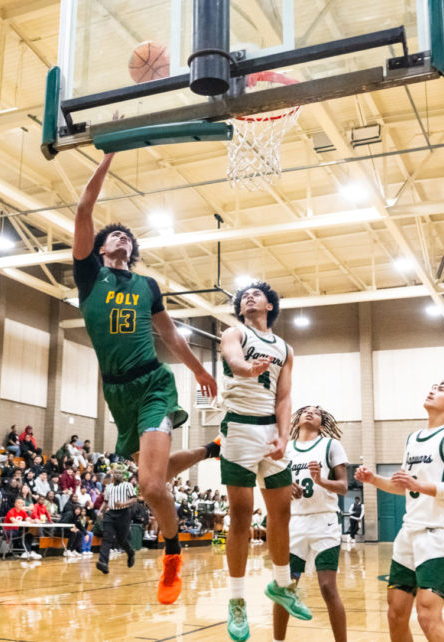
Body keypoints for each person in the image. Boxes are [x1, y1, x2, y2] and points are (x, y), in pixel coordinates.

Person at [72, 152, 221, 604]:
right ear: (101, 249)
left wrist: (197, 369)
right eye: (114, 235)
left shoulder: (148, 286)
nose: (121, 238)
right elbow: (83, 210)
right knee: (147, 481)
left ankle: (172, 554)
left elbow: (169, 333)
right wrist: (108, 156)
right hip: (116, 393)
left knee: (152, 487)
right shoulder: (89, 276)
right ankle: (204, 452)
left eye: (127, 237)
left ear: (133, 252)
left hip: (154, 384)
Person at [218, 280, 310, 639]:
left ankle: (283, 585)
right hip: (239, 427)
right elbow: (235, 362)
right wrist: (247, 369)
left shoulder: (285, 348)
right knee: (241, 514)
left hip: (271, 430)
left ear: (270, 306)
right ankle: (237, 601)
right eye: (243, 297)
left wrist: (285, 435)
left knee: (281, 511)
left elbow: (285, 397)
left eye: (255, 294)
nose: (248, 297)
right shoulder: (234, 332)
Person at [355, 379, 444, 642]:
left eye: (442, 389)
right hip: (409, 532)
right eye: (433, 387)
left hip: (439, 534)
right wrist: (373, 479)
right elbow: (406, 487)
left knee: (427, 615)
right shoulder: (413, 439)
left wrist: (419, 485)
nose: (433, 390)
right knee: (395, 614)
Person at [274, 406, 349, 642]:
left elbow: (344, 486)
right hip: (294, 523)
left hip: (324, 520)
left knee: (328, 587)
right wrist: (284, 487)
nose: (310, 413)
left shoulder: (330, 446)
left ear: (322, 422)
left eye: (316, 412)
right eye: (306, 410)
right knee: (284, 588)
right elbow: (272, 483)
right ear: (296, 420)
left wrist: (321, 480)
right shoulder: (285, 449)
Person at [95, 469, 138, 574]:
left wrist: (123, 504)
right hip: (110, 513)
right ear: (113, 475)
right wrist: (100, 511)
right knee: (107, 538)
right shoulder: (108, 487)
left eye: (120, 473)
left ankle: (130, 552)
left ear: (123, 475)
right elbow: (105, 501)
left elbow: (134, 499)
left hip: (124, 514)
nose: (118, 474)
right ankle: (103, 563)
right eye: (116, 473)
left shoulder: (128, 485)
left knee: (121, 540)